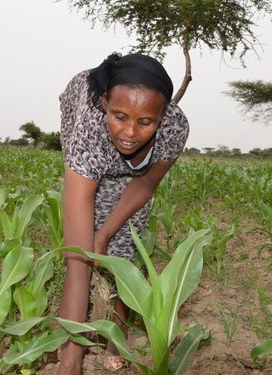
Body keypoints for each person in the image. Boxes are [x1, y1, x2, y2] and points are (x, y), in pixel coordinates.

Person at [56, 52, 189, 374]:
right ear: (104, 103)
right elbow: (79, 257)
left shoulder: (175, 127)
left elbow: (145, 185)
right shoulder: (88, 131)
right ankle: (68, 341)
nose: (130, 132)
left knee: (124, 247)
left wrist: (104, 235)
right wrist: (72, 358)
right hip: (90, 145)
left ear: (163, 114)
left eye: (146, 122)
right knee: (80, 256)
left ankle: (118, 335)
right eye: (120, 116)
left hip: (135, 177)